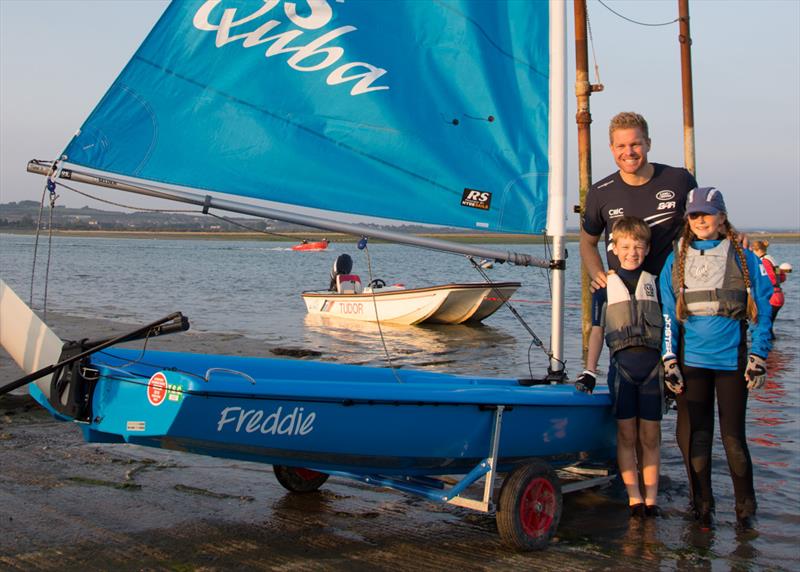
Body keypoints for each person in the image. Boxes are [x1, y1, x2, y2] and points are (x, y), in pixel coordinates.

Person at [659, 187, 773, 532]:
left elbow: (764, 311)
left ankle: (744, 512)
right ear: (687, 220)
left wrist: (759, 355)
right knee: (699, 437)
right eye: (694, 215)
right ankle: (702, 507)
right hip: (691, 365)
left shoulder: (745, 258)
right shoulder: (675, 258)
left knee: (733, 438)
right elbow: (668, 314)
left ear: (722, 218)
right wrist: (669, 358)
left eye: (707, 213)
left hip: (733, 366)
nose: (700, 220)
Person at [576, 216, 665, 518]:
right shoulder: (603, 286)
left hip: (653, 371)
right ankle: (634, 498)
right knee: (627, 437)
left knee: (650, 438)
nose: (632, 253)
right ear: (614, 248)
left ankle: (651, 500)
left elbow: (670, 327)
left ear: (647, 248)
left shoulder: (656, 282)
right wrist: (590, 370)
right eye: (625, 247)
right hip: (622, 371)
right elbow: (597, 330)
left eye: (638, 247)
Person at [580, 112, 698, 286]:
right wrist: (598, 275)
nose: (628, 152)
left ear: (648, 144)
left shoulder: (679, 180)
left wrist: (734, 236)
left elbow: (705, 222)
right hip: (626, 294)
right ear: (612, 148)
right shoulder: (600, 192)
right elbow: (587, 243)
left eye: (635, 144)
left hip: (674, 292)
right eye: (621, 146)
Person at [751, 240, 785, 338]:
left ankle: (766, 349)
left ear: (755, 250)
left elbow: (771, 279)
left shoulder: (763, 261)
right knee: (769, 326)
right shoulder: (772, 260)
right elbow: (782, 277)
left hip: (771, 297)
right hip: (779, 295)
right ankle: (773, 349)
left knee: (763, 325)